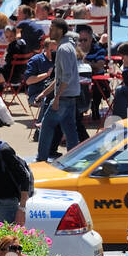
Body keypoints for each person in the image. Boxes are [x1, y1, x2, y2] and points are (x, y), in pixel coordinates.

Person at [33, 20, 84, 162]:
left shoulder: (63, 49)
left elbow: (65, 77)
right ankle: (73, 158)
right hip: (69, 96)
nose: (49, 31)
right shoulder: (67, 46)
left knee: (47, 126)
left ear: (60, 31)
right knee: (70, 129)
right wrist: (44, 93)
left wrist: (56, 98)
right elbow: (60, 77)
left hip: (63, 97)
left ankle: (41, 159)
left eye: (52, 28)